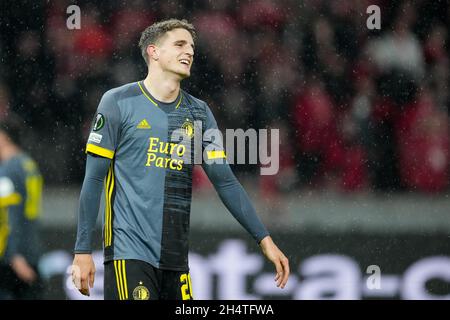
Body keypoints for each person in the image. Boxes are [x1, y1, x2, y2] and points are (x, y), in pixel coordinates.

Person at [72, 19, 289, 300]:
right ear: (154, 51)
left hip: (175, 260)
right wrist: (82, 251)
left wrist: (264, 239)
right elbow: (93, 180)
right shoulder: (118, 102)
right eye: (179, 44)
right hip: (129, 255)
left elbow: (225, 182)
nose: (190, 51)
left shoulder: (198, 112)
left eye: (192, 47)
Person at [0, 116, 44, 299]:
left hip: (13, 255)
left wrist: (14, 254)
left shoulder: (9, 169)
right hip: (30, 247)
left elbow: (11, 214)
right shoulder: (28, 164)